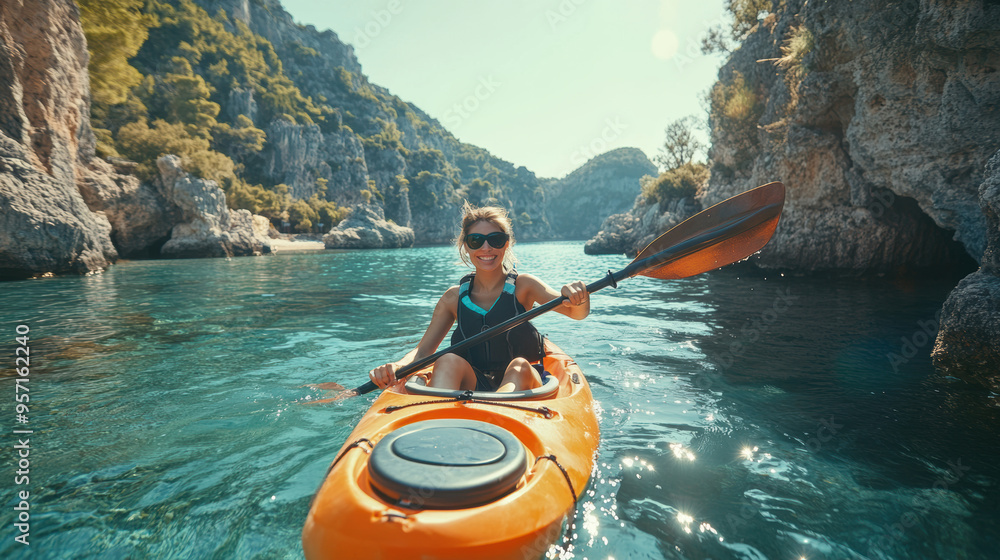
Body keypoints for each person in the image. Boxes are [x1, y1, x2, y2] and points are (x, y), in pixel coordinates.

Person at [368, 202, 590, 393]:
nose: (486, 248)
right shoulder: (452, 298)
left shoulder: (524, 286)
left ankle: (497, 413)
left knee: (519, 366)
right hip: (475, 383)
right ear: (465, 246)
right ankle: (435, 430)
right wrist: (396, 366)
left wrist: (578, 296)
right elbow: (424, 351)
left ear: (507, 243)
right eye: (476, 240)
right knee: (446, 361)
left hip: (523, 385)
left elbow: (576, 312)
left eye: (495, 239)